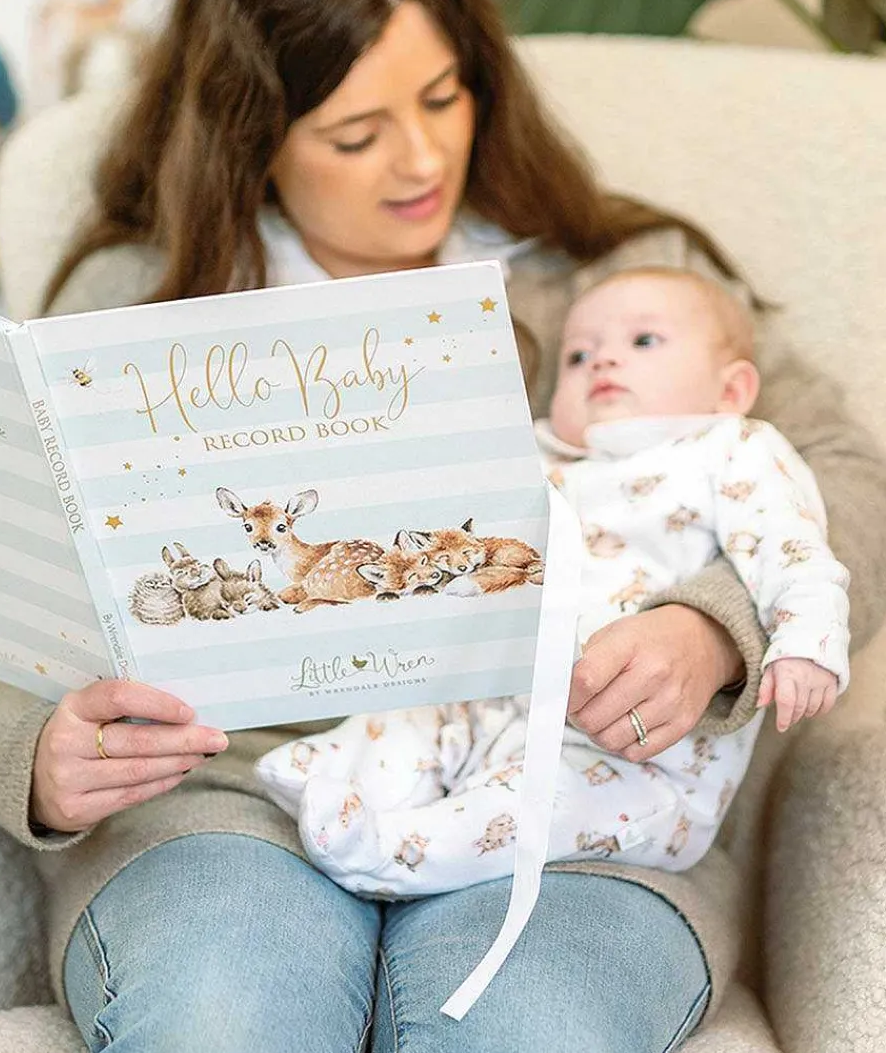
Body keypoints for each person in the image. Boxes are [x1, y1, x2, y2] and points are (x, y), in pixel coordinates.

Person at [0, 0, 886, 1053]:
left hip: (569, 804)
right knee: (223, 1037)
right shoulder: (136, 305)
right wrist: (38, 749)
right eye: (355, 133)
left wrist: (715, 627)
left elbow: (845, 475)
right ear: (251, 135)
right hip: (229, 801)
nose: (424, 157)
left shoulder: (622, 288)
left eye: (445, 97)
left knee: (526, 1049)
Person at [255, 266, 850, 898]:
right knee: (408, 719)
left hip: (632, 756)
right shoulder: (535, 456)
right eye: (578, 354)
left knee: (532, 808)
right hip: (491, 704)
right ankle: (338, 779)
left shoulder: (733, 447)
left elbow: (794, 550)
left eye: (644, 342)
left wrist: (807, 643)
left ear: (732, 388)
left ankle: (396, 853)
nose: (604, 360)